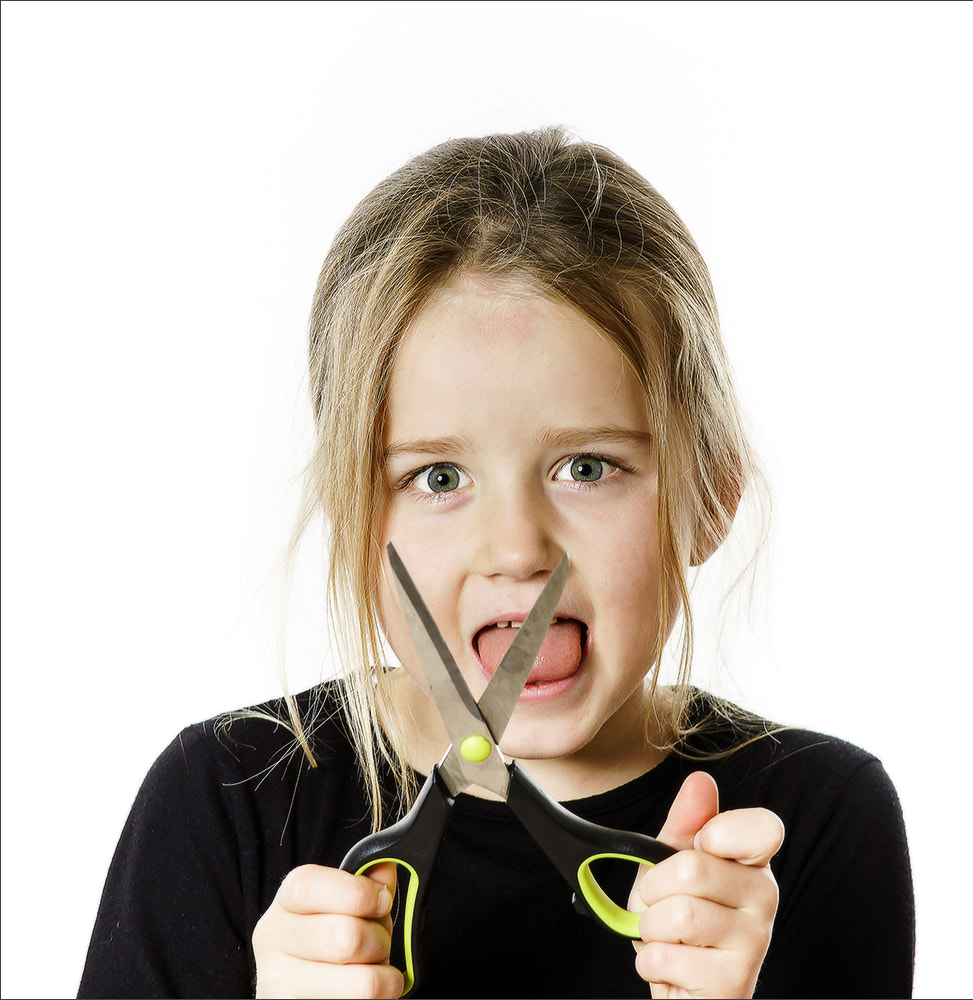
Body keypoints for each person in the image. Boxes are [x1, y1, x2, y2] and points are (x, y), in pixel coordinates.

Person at [78, 127, 914, 999]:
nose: (517, 549)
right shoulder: (227, 800)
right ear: (355, 523)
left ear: (709, 499)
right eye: (438, 477)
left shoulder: (811, 820)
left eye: (586, 468)